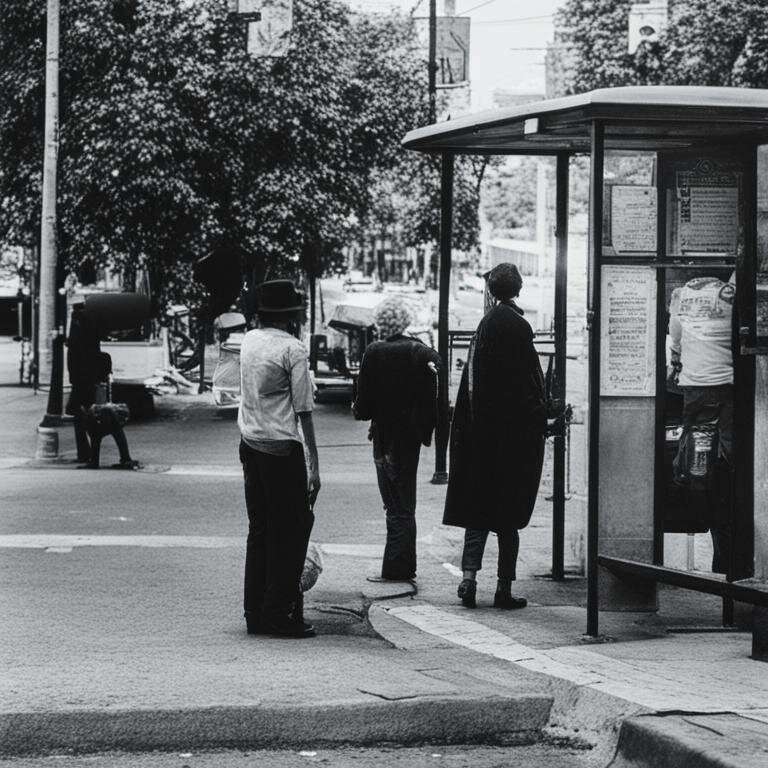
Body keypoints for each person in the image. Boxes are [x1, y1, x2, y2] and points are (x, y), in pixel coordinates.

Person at [443, 263, 547, 609]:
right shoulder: (518, 326)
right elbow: (528, 385)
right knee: (507, 519)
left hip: (480, 439)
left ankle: (469, 580)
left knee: (478, 516)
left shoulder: (484, 325)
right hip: (510, 440)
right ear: (519, 288)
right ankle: (503, 588)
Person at [238, 279, 321, 639]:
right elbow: (303, 409)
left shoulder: (249, 341)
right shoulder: (293, 350)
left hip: (250, 442)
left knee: (260, 530)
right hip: (282, 448)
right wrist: (314, 463)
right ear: (291, 315)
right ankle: (280, 612)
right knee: (293, 532)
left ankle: (254, 610)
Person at [353, 295, 440, 582]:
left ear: (381, 322)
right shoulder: (419, 351)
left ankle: (396, 568)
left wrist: (365, 408)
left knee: (394, 504)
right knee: (405, 503)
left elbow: (362, 408)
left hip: (384, 436)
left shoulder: (374, 352)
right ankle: (403, 564)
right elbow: (434, 386)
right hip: (409, 438)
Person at [669, 273, 735, 574]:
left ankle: (688, 477)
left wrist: (678, 362)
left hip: (694, 390)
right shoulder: (731, 296)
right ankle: (728, 554)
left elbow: (676, 340)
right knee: (729, 466)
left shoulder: (682, 296)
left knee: (695, 460)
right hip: (727, 389)